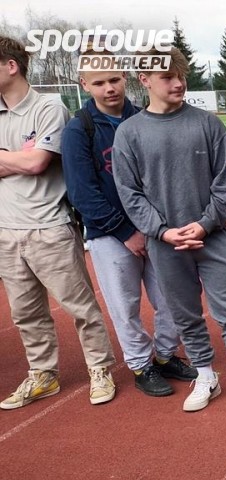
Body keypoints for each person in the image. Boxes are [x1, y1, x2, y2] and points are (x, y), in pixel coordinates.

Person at [112, 47, 226, 420]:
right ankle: (205, 376)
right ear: (145, 80)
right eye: (168, 76)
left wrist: (204, 223)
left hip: (213, 238)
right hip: (165, 245)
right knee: (185, 315)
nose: (178, 83)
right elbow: (130, 193)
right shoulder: (129, 133)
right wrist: (163, 232)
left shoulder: (208, 124)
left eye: (181, 75)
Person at [62, 55, 197, 398]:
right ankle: (140, 365)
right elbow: (82, 193)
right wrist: (125, 232)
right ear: (84, 85)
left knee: (171, 297)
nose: (109, 88)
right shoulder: (79, 130)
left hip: (156, 228)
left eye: (114, 79)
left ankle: (165, 355)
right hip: (110, 235)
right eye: (98, 83)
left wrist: (156, 226)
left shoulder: (143, 118)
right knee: (125, 306)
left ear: (125, 77)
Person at [0, 36, 117, 409]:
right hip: (6, 231)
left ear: (11, 66)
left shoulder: (48, 107)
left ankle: (100, 369)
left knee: (80, 306)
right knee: (25, 313)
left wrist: (17, 159)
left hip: (50, 226)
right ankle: (43, 375)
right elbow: (29, 161)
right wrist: (18, 158)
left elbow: (37, 163)